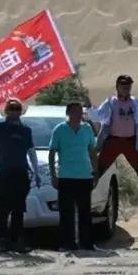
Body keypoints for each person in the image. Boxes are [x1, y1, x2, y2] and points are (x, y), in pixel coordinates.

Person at [91, 74, 138, 200]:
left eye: (128, 85)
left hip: (132, 143)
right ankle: (84, 196)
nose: (126, 87)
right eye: (123, 85)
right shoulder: (110, 102)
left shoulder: (136, 102)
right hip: (113, 142)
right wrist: (89, 108)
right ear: (117, 87)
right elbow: (97, 116)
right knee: (98, 170)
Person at [0, 98, 41, 252]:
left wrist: (36, 172)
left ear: (21, 111)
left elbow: (31, 151)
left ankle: (16, 240)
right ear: (6, 111)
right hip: (3, 173)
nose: (14, 112)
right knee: (1, 209)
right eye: (11, 109)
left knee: (18, 209)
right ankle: (0, 240)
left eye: (17, 109)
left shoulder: (26, 130)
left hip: (21, 173)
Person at [48, 102, 98, 252]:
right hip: (66, 176)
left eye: (80, 112)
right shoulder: (60, 129)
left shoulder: (87, 129)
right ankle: (67, 243)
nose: (79, 114)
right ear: (68, 113)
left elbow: (92, 151)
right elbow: (52, 152)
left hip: (84, 175)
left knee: (85, 211)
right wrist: (53, 175)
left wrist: (95, 172)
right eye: (75, 111)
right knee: (66, 212)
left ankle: (86, 243)